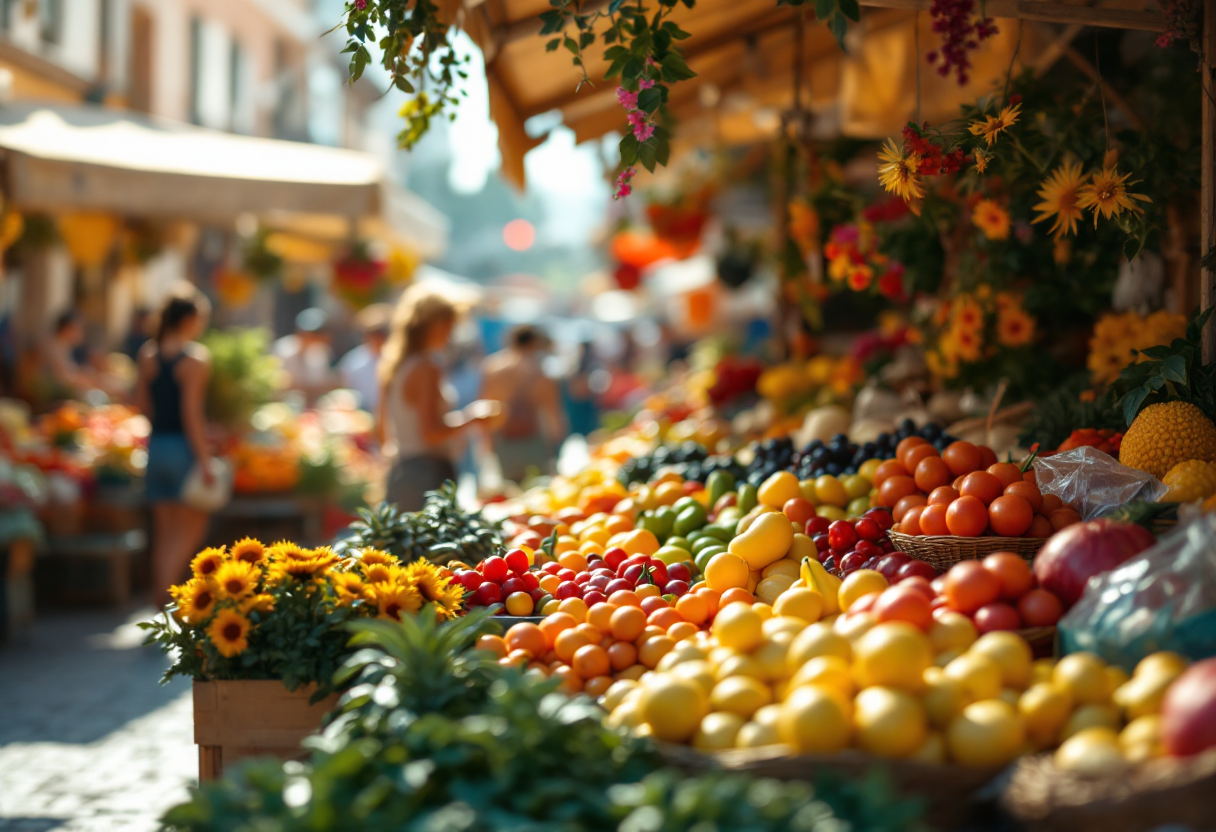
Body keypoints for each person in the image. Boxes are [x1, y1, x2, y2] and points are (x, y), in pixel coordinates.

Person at [378, 286, 499, 511]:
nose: (451, 332)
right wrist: (472, 416)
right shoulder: (426, 367)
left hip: (404, 469)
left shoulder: (395, 365)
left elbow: (383, 430)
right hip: (427, 473)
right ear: (436, 324)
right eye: (450, 324)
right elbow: (431, 432)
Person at [134, 285, 216, 606]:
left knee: (164, 532)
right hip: (183, 448)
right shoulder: (195, 358)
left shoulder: (147, 354)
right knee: (191, 528)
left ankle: (161, 597)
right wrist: (205, 460)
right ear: (189, 319)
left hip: (156, 447)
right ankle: (166, 595)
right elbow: (191, 414)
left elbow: (143, 404)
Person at [479, 325, 566, 482]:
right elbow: (553, 411)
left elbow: (485, 407)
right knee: (538, 487)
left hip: (504, 439)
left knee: (510, 489)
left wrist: (487, 441)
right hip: (533, 440)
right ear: (534, 343)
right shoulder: (540, 369)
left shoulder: (492, 367)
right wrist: (557, 442)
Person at [274, 308, 336, 404]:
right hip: (284, 405)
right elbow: (277, 385)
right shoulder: (282, 350)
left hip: (313, 407)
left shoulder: (321, 352)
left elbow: (324, 385)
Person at [338, 303, 391, 412]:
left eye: (380, 333)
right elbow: (345, 392)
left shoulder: (395, 360)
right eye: (371, 334)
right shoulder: (352, 361)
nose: (376, 338)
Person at [45, 310, 98, 397]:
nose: (81, 334)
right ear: (68, 328)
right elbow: (62, 379)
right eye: (78, 329)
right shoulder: (53, 347)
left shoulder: (64, 346)